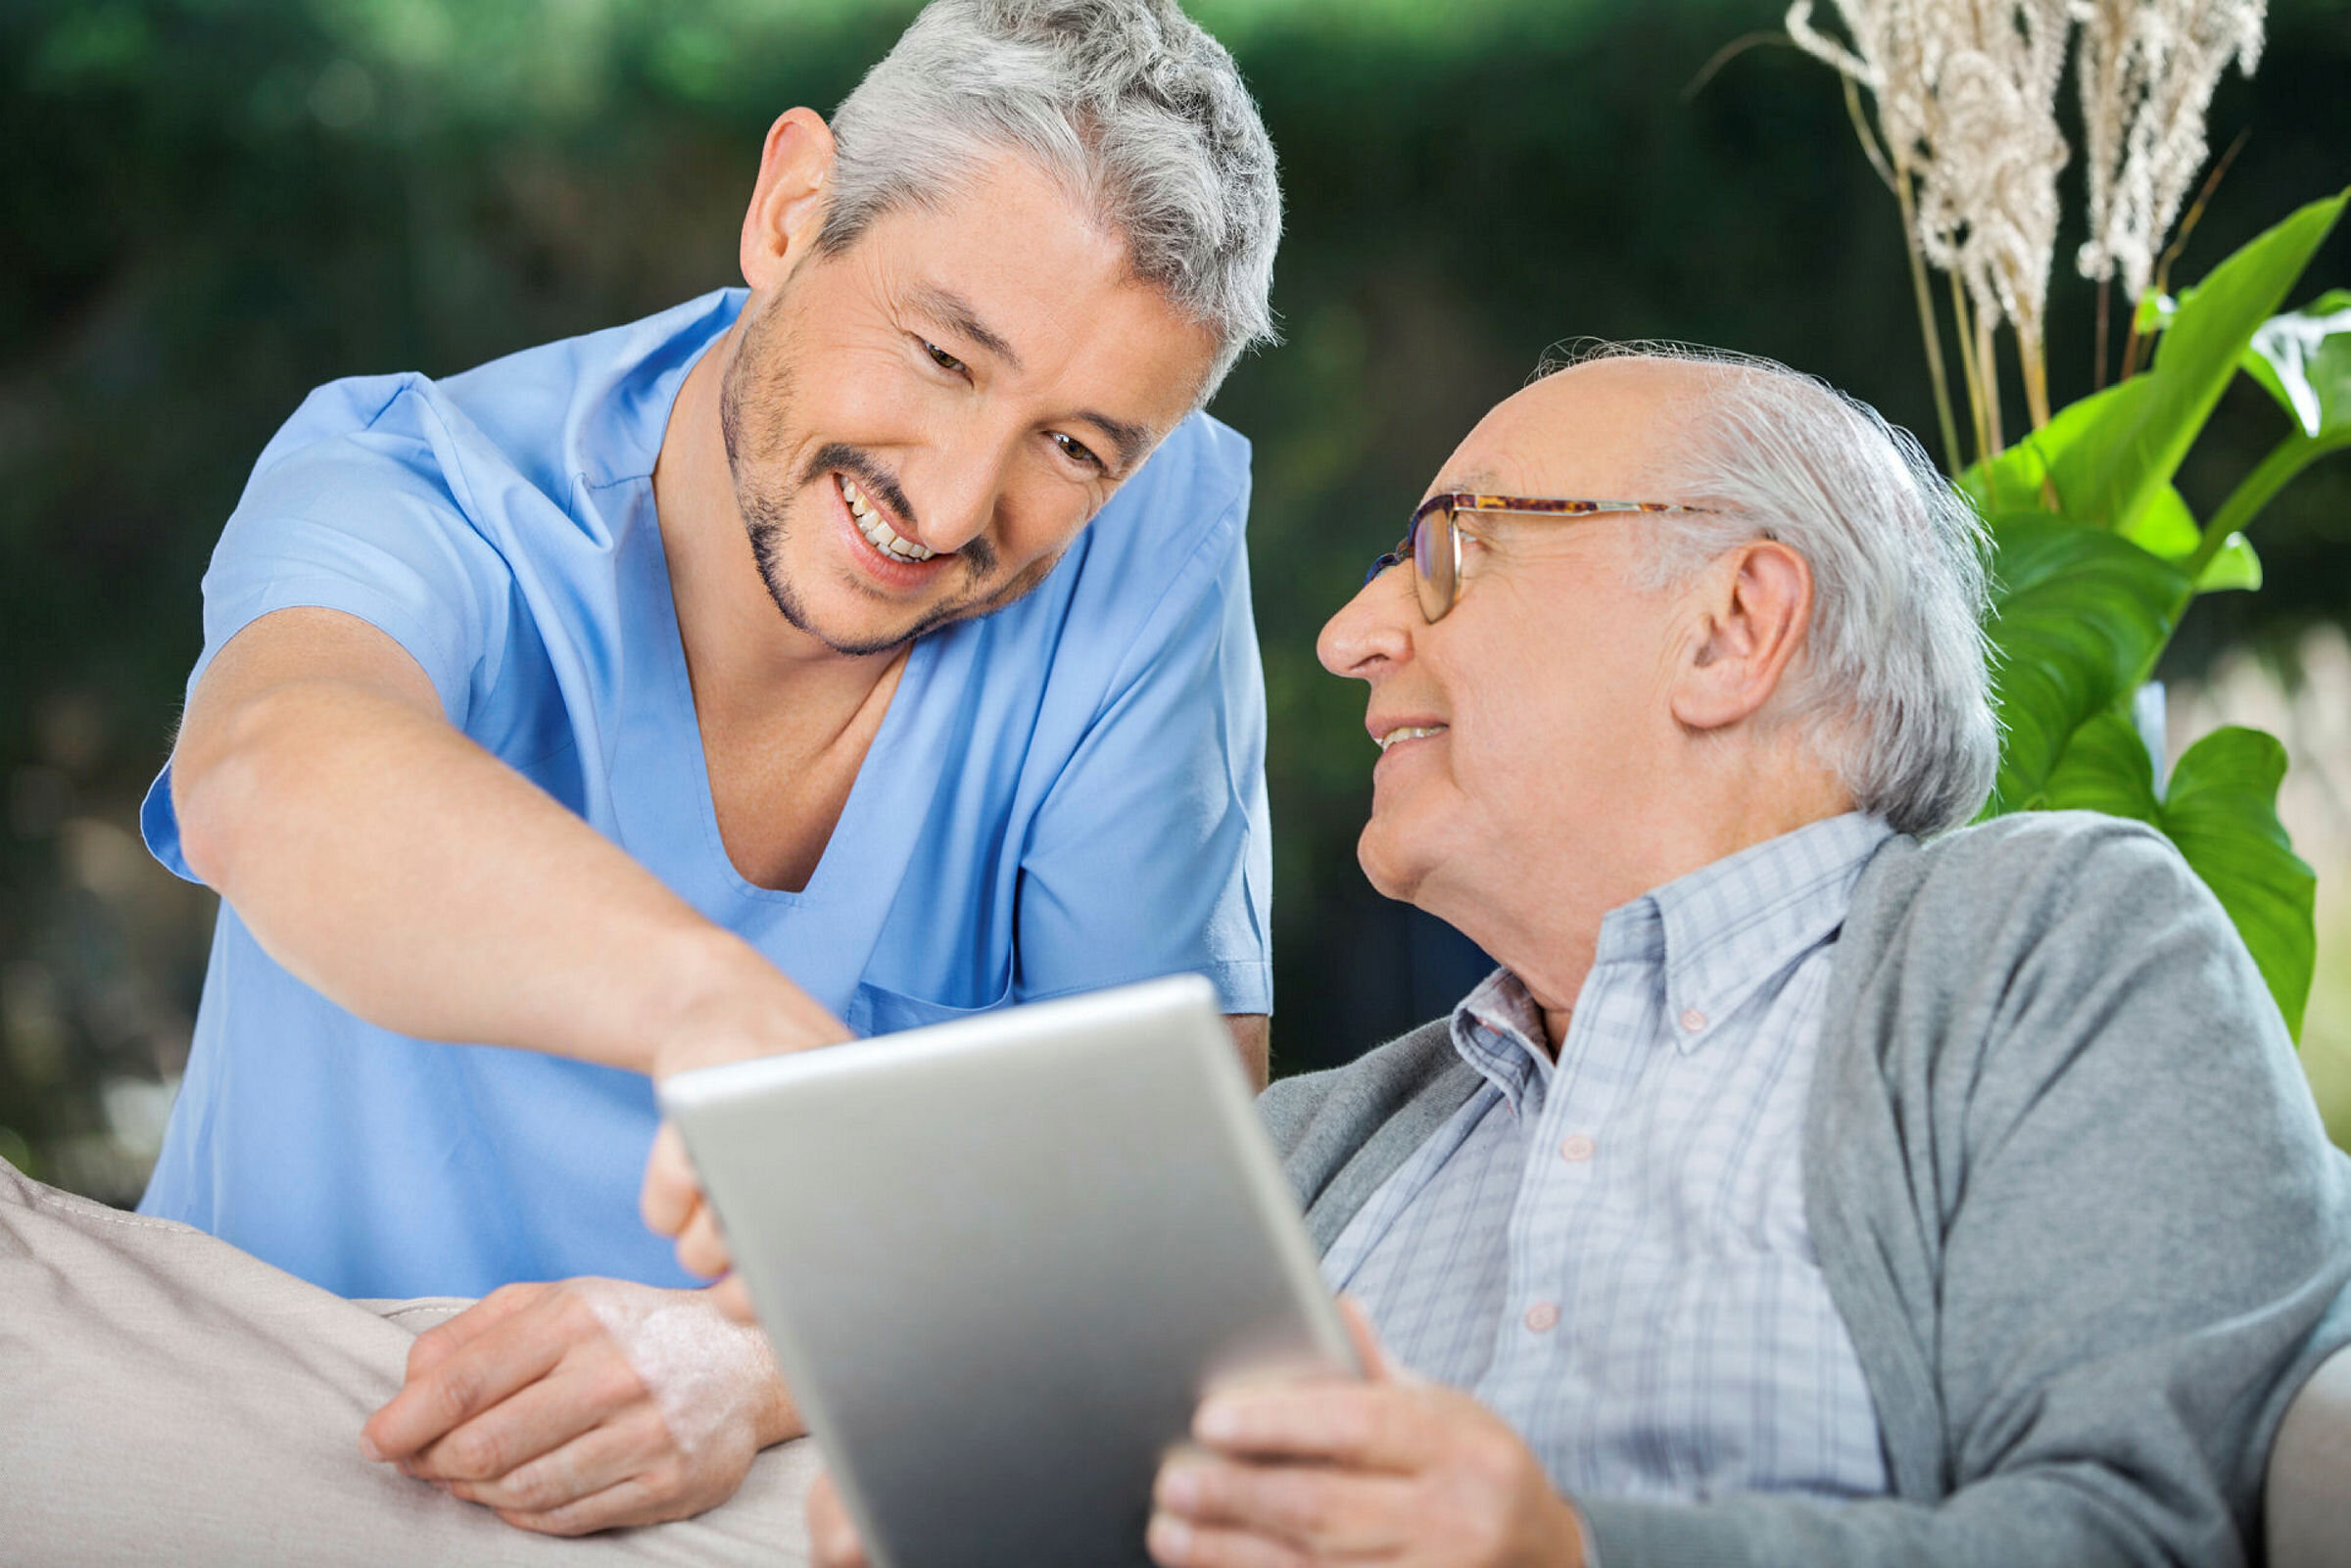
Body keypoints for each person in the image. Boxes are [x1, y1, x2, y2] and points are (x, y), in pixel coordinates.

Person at [792, 349, 2351, 1568]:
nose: (1348, 634)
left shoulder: (2042, 952)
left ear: (1733, 625)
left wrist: (1574, 1552)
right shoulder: (1310, 1144)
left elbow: (2148, 1534)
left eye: (1449, 551)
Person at [131, 0, 1281, 1537]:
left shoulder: (1148, 542)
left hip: (769, 1498)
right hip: (265, 1459)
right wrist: (711, 1012)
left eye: (1075, 448)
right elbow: (271, 773)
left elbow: (1167, 1172)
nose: (952, 507)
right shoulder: (413, 481)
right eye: (943, 355)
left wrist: (764, 1356)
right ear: (792, 212)